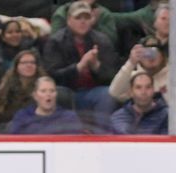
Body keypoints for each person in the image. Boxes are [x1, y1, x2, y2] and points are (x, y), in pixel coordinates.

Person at [43, 1, 119, 133]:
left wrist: (96, 66)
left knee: (107, 94)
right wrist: (79, 67)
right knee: (58, 93)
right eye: (78, 18)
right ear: (68, 20)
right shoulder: (55, 41)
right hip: (68, 90)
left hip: (93, 91)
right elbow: (52, 76)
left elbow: (112, 76)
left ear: (92, 20)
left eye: (86, 18)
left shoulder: (102, 40)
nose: (83, 22)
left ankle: (103, 138)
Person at [109, 36, 176, 124]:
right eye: (146, 53)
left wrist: (171, 125)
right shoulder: (133, 77)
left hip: (166, 128)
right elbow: (114, 92)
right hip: (136, 126)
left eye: (154, 52)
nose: (151, 57)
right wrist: (131, 62)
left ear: (162, 55)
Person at [0, 49, 47, 131]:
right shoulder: (5, 87)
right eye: (24, 63)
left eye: (32, 62)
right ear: (16, 66)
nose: (29, 65)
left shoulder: (45, 87)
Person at [7, 76, 84, 134]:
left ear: (56, 94)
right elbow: (13, 144)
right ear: (35, 95)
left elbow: (75, 145)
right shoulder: (22, 116)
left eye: (52, 91)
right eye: (43, 91)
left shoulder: (69, 117)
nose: (48, 94)